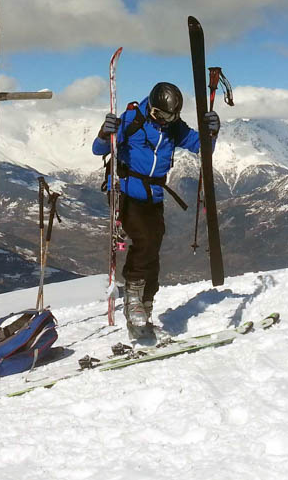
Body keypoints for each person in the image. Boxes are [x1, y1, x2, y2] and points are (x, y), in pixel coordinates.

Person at [92, 81, 220, 340]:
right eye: (160, 115)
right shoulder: (132, 119)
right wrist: (105, 134)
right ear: (151, 108)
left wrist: (211, 133)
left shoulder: (173, 128)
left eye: (170, 117)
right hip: (125, 191)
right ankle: (133, 299)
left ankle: (146, 306)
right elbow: (99, 149)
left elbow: (201, 148)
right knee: (145, 239)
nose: (164, 121)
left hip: (154, 194)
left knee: (154, 244)